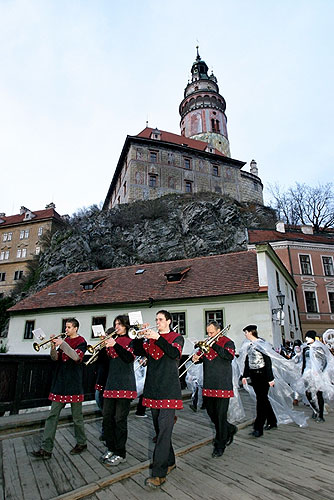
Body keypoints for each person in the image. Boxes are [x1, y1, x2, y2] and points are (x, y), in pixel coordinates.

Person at [132, 310, 184, 490]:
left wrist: (158, 337)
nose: (158, 322)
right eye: (156, 320)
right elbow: (136, 350)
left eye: (161, 319)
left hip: (169, 390)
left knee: (162, 432)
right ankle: (170, 461)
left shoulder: (177, 337)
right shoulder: (150, 339)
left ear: (168, 321)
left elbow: (173, 354)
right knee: (160, 431)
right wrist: (140, 334)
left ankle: (158, 473)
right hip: (153, 390)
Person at [31, 318, 87, 459]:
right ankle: (46, 449)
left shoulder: (82, 342)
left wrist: (62, 344)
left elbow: (76, 357)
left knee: (77, 418)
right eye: (66, 327)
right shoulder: (64, 341)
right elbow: (54, 358)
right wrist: (52, 346)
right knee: (52, 416)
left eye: (69, 327)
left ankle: (81, 443)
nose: (66, 329)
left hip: (74, 383)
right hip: (60, 383)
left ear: (75, 328)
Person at [192, 321, 237, 457]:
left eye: (212, 332)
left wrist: (215, 344)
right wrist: (196, 358)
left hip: (222, 384)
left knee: (221, 415)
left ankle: (220, 444)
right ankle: (229, 428)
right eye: (208, 332)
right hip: (209, 384)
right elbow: (201, 357)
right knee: (212, 413)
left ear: (219, 330)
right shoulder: (207, 342)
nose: (209, 335)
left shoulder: (228, 342)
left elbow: (229, 356)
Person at [100, 315, 137, 466]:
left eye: (120, 324)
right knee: (107, 417)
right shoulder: (112, 340)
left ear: (126, 326)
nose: (117, 327)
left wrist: (114, 344)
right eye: (115, 324)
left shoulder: (131, 341)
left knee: (120, 420)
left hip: (125, 384)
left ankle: (120, 452)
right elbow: (104, 361)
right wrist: (103, 346)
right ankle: (110, 447)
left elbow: (129, 358)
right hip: (111, 384)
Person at [241, 325, 277, 437]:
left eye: (246, 332)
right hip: (254, 375)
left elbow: (267, 361)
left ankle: (258, 427)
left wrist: (270, 378)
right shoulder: (249, 345)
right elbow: (247, 361)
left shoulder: (261, 344)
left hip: (263, 375)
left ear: (251, 332)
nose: (245, 335)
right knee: (263, 399)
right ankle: (272, 421)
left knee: (261, 401)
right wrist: (244, 375)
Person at [299, 330, 334, 422]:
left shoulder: (318, 347)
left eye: (308, 337)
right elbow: (304, 361)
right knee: (308, 393)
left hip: (317, 373)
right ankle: (315, 409)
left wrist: (321, 371)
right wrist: (302, 372)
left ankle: (321, 415)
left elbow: (324, 360)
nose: (306, 339)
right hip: (307, 373)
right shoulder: (305, 348)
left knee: (319, 394)